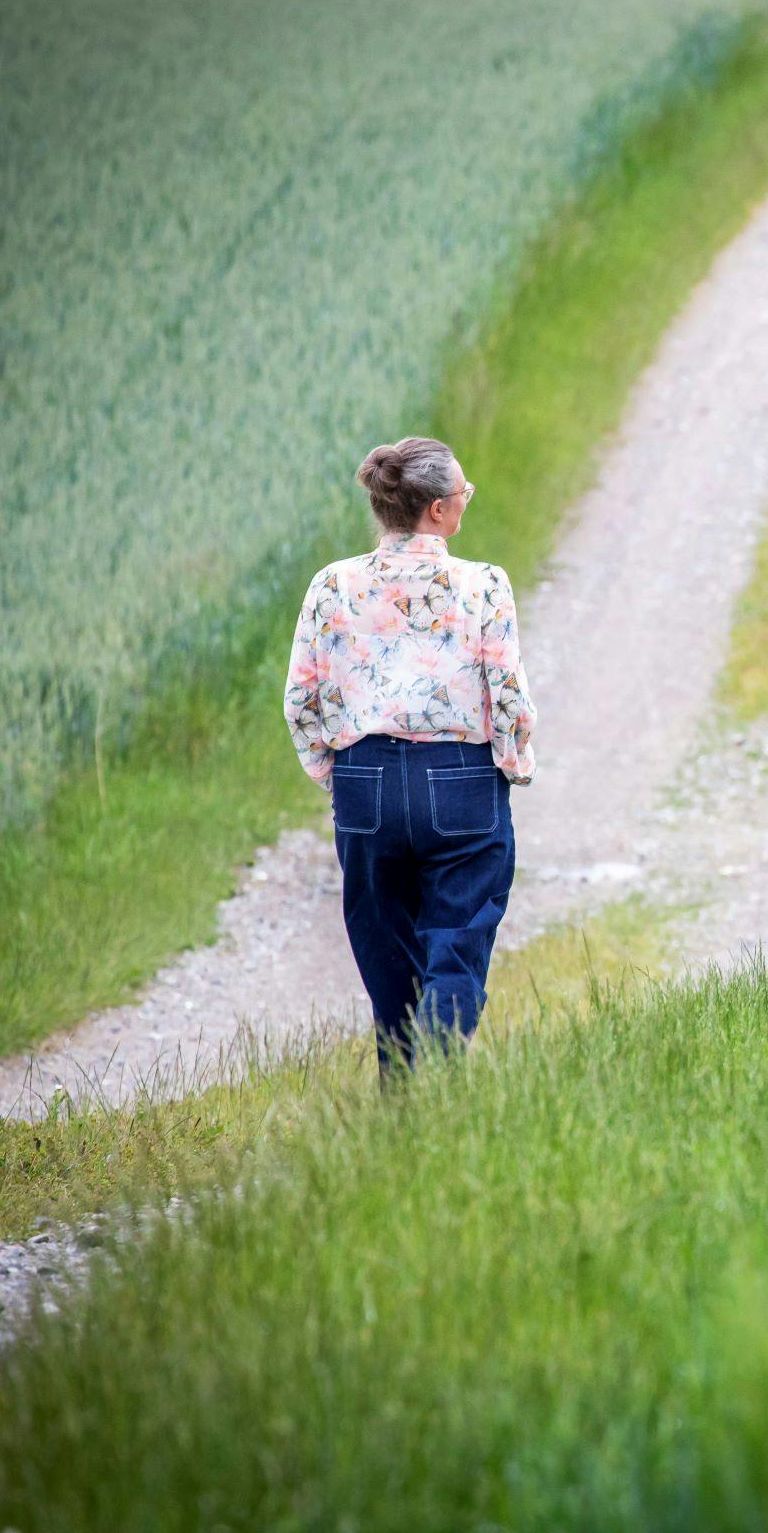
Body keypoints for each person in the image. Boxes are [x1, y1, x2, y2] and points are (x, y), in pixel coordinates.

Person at [282, 436, 536, 1081]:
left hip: (364, 780)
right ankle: (439, 1081)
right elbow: (506, 693)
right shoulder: (482, 586)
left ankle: (401, 1100)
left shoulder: (331, 584)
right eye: (463, 494)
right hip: (460, 778)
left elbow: (302, 697)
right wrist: (513, 762)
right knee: (458, 942)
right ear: (438, 510)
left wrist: (333, 772)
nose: (465, 503)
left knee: (386, 952)